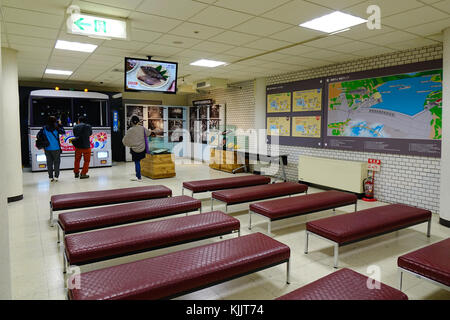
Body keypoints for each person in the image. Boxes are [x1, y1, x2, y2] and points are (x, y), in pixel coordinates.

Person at [122, 116, 151, 182]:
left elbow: (124, 140)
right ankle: (138, 176)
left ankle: (139, 177)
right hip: (142, 149)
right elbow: (148, 133)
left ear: (131, 122)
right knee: (139, 162)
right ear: (138, 121)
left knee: (137, 162)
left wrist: (130, 145)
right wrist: (149, 130)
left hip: (134, 150)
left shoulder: (130, 130)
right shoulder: (142, 128)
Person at [42, 116, 65, 182]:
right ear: (55, 121)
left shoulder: (44, 128)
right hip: (56, 148)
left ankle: (50, 177)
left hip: (47, 148)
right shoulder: (56, 127)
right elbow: (63, 132)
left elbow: (39, 135)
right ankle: (56, 177)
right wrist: (60, 124)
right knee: (56, 163)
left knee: (49, 163)